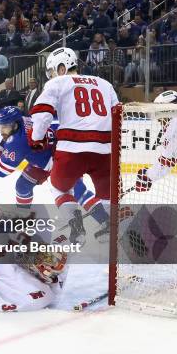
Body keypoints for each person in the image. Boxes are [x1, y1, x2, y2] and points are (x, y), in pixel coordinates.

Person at [0, 106, 109, 242]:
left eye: (5, 127)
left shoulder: (19, 142)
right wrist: (1, 146)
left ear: (15, 124)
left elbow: (2, 169)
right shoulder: (23, 121)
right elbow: (9, 139)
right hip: (46, 157)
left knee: (75, 190)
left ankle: (106, 222)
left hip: (63, 157)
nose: (2, 130)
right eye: (0, 127)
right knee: (23, 186)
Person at [29, 47, 119, 241]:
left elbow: (42, 113)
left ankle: (76, 228)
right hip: (104, 152)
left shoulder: (58, 83)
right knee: (106, 195)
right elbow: (118, 117)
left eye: (52, 71)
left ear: (62, 68)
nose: (52, 76)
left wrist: (37, 139)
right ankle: (112, 235)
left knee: (58, 186)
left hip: (72, 150)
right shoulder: (105, 84)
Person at [135, 90, 177, 192]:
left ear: (168, 110)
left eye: (158, 112)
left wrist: (147, 176)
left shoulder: (175, 126)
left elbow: (165, 162)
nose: (157, 118)